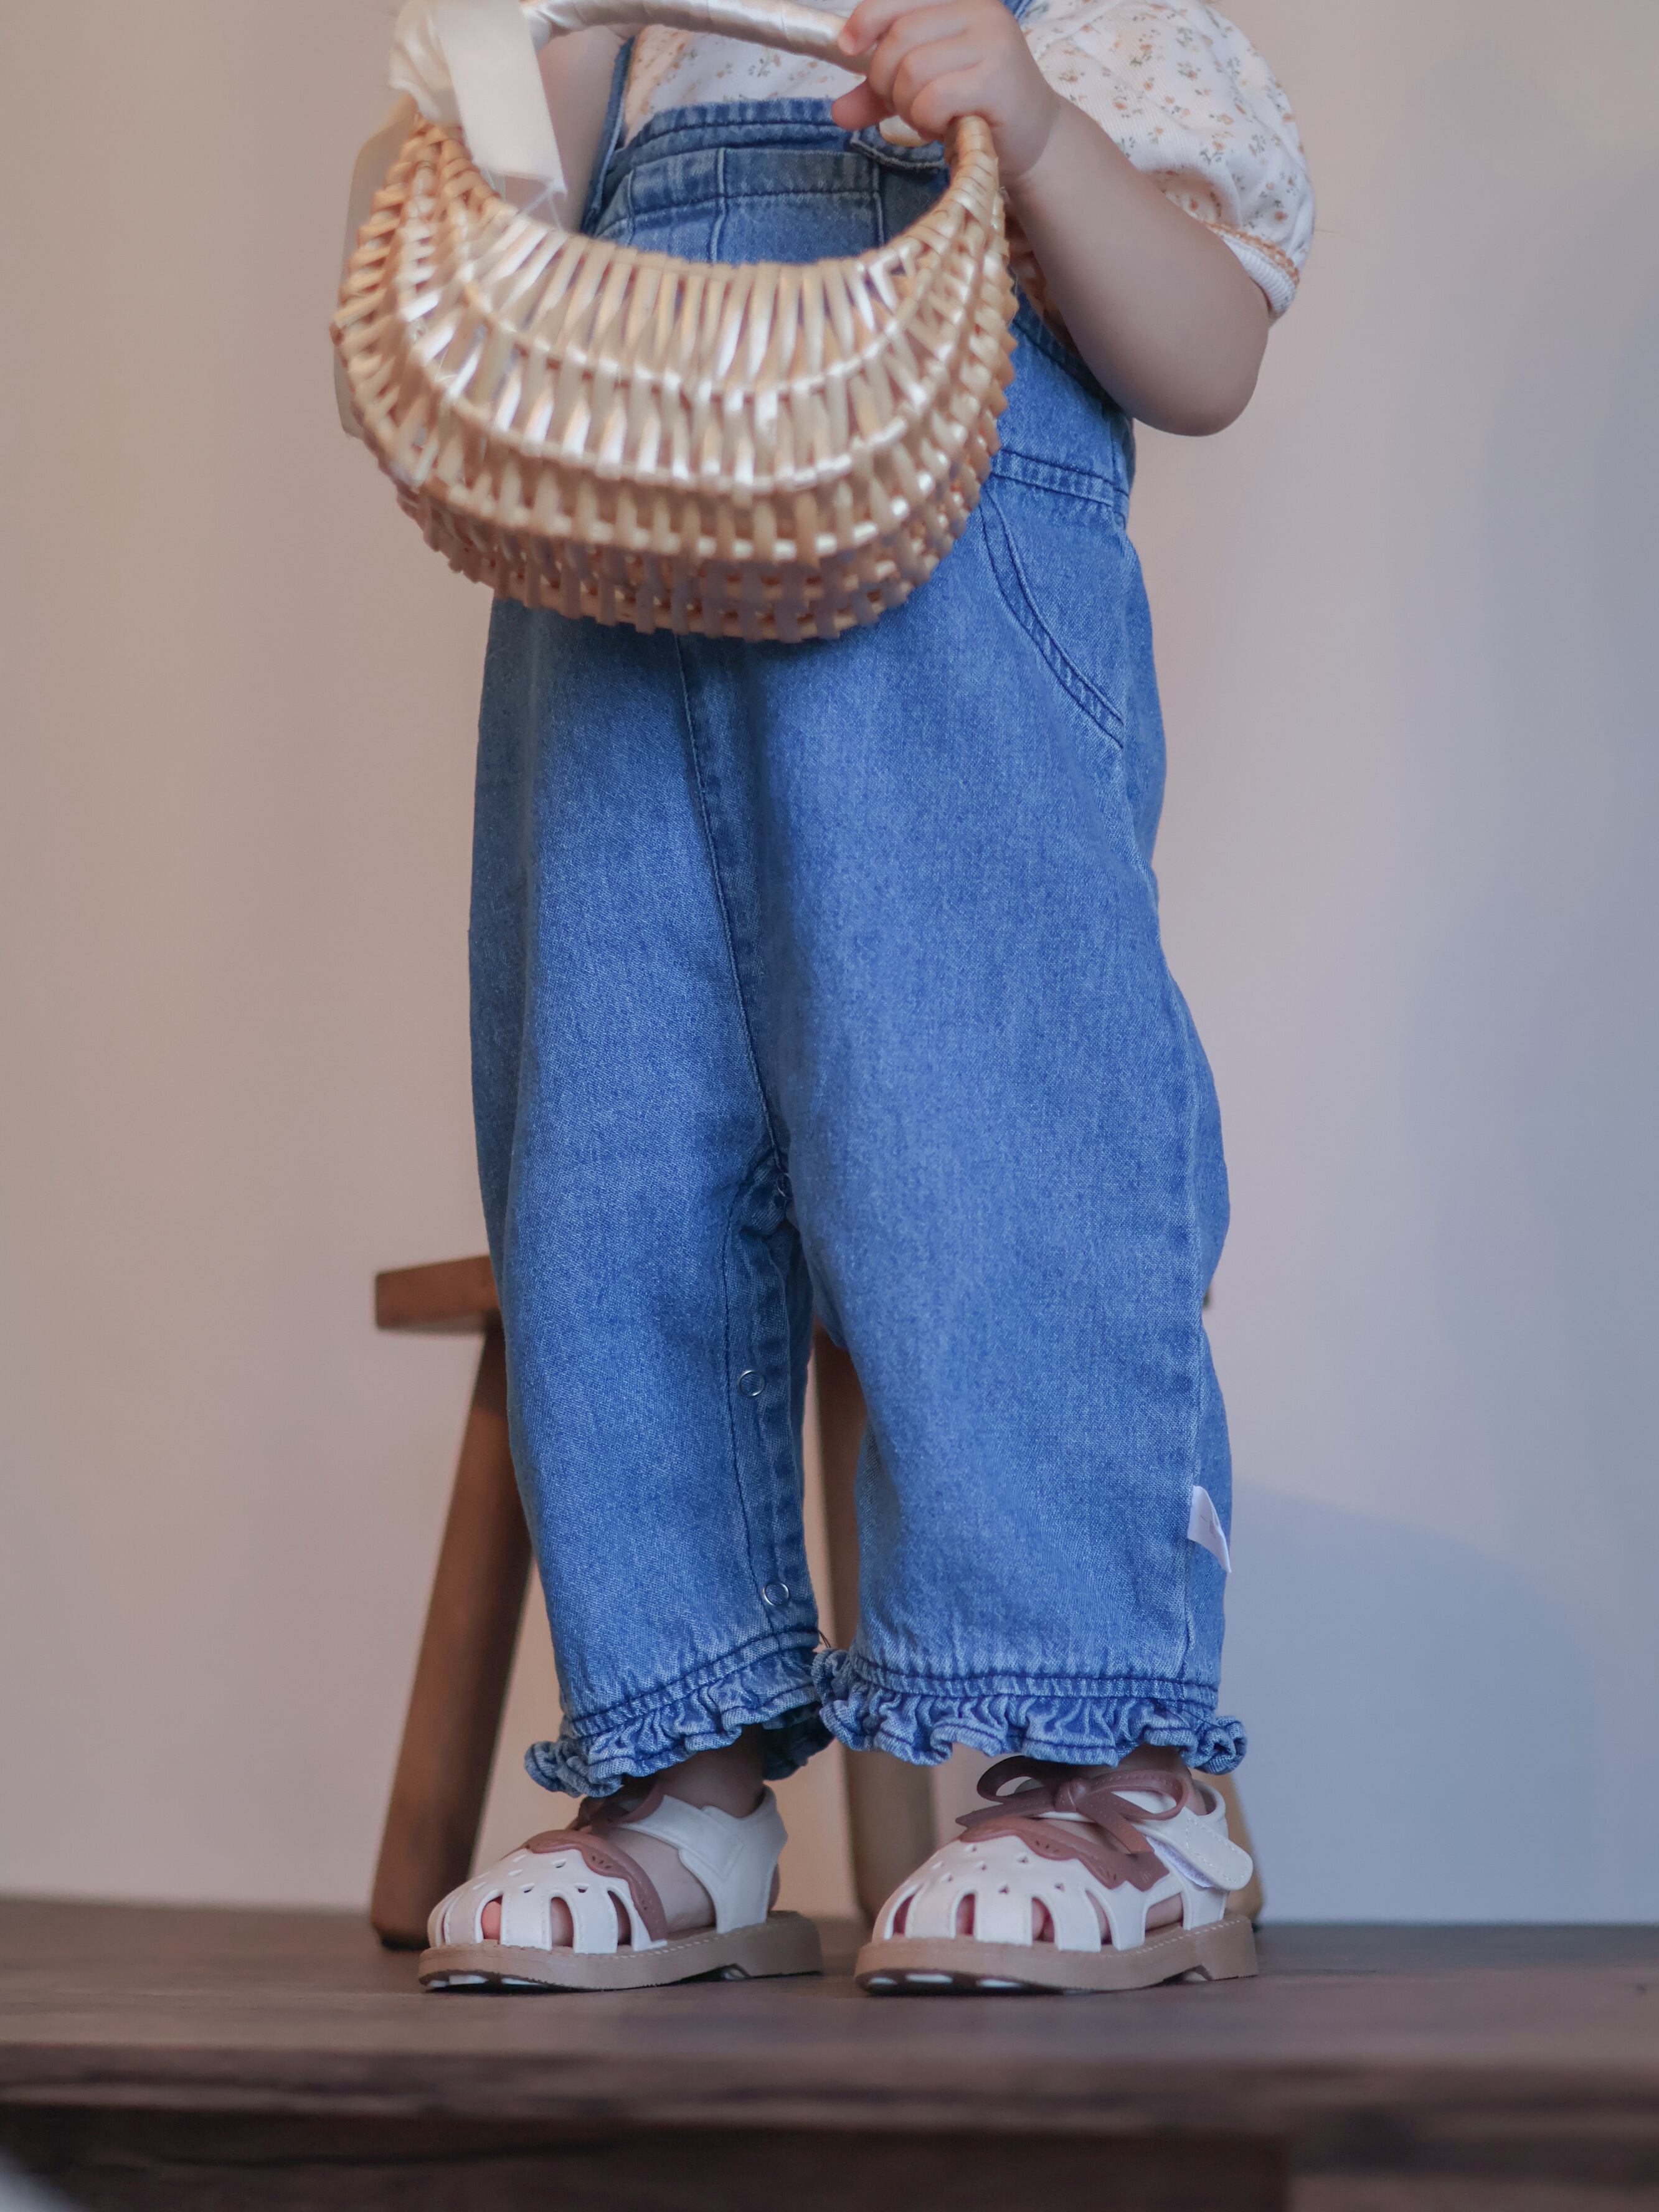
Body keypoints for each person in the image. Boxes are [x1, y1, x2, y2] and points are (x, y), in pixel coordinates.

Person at [357, 0, 1314, 1995]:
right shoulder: (616, 41)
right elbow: (421, 305)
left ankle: (1118, 1765)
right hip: (614, 605)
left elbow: (1209, 354)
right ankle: (680, 1775)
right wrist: (537, 67)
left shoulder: (1075, 26)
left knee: (990, 1140)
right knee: (611, 1165)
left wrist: (1033, 129)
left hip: (947, 632)